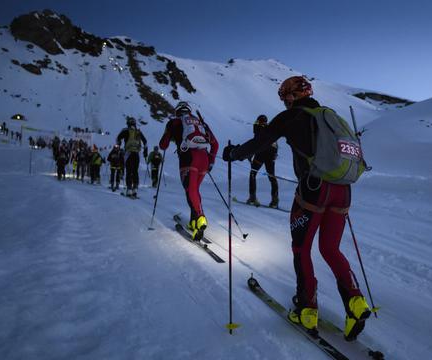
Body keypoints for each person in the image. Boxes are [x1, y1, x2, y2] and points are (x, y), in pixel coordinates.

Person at [222, 76, 371, 340]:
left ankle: (306, 309)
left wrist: (233, 153)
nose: (283, 101)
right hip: (343, 190)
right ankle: (355, 302)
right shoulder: (330, 116)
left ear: (292, 96)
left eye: (284, 96)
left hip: (314, 189)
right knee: (330, 248)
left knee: (301, 249)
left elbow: (260, 142)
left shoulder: (291, 117)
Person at [159, 101, 218, 241]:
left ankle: (200, 218)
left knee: (191, 190)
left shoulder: (175, 122)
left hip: (188, 159)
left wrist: (169, 133)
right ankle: (194, 221)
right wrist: (211, 161)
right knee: (193, 191)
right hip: (204, 159)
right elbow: (215, 144)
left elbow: (163, 145)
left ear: (177, 112)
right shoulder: (200, 123)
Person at [247, 114, 279, 208]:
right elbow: (275, 142)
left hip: (261, 154)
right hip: (271, 154)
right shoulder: (270, 128)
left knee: (253, 173)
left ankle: (252, 198)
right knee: (272, 176)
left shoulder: (257, 128)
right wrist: (274, 155)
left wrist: (250, 154)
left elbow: (255, 142)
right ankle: (275, 201)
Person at [116, 118, 148, 197]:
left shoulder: (125, 130)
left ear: (128, 124)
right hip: (136, 153)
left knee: (129, 171)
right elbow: (145, 142)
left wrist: (119, 145)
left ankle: (129, 189)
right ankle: (135, 189)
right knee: (135, 171)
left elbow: (118, 138)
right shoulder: (138, 132)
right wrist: (145, 152)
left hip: (128, 153)